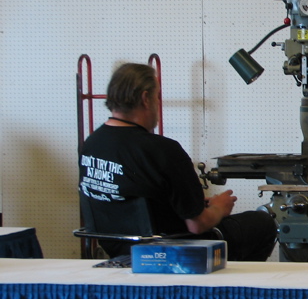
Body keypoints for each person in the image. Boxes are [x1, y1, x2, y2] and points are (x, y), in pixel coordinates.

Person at [79, 62, 277, 261]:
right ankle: (227, 290)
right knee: (262, 223)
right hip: (168, 253)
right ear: (145, 98)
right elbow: (197, 224)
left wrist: (188, 204)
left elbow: (127, 197)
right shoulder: (163, 150)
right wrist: (219, 207)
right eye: (157, 96)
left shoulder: (90, 145)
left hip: (118, 251)